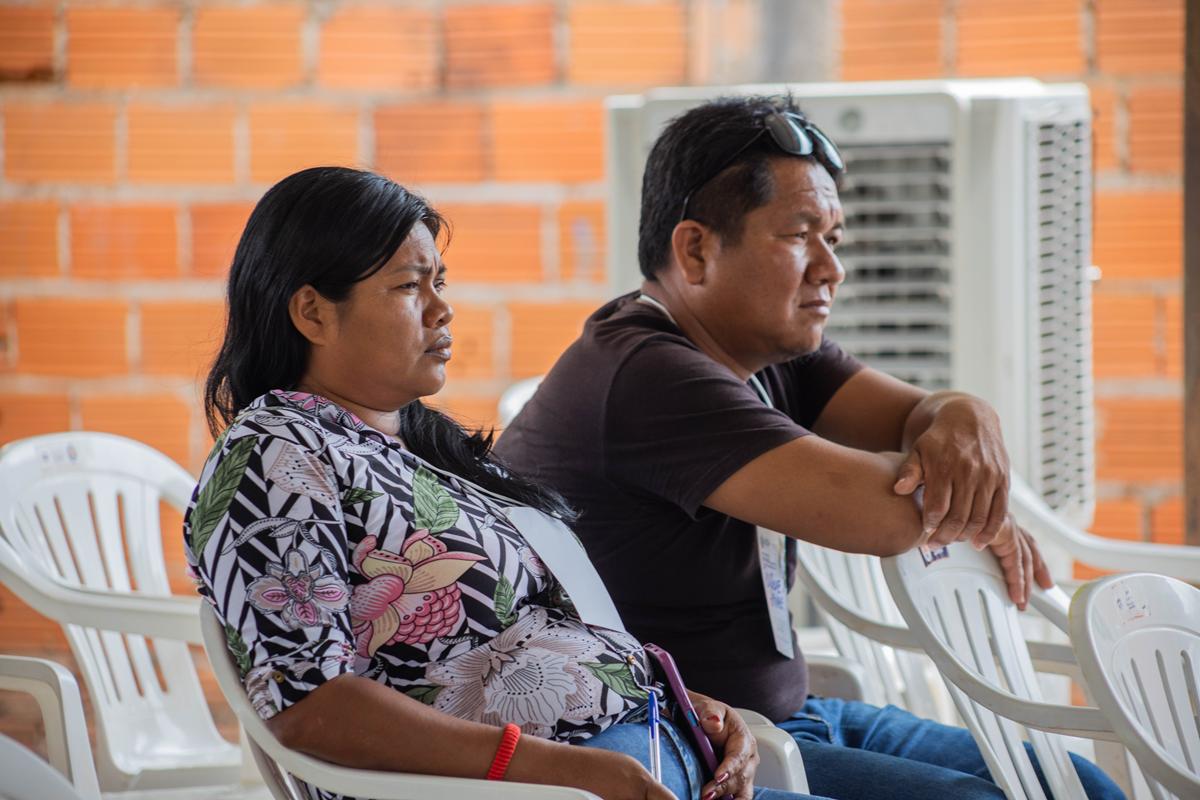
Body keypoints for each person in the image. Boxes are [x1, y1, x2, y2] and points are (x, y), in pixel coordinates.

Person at [494, 96, 1124, 800]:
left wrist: (969, 416)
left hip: (794, 716)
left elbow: (922, 412)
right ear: (696, 250)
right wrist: (966, 492)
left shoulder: (765, 348)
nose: (831, 269)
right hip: (690, 746)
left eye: (834, 238)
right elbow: (885, 514)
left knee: (1079, 786)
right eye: (799, 235)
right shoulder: (647, 374)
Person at [186, 165, 835, 800]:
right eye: (410, 286)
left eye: (440, 282)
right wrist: (564, 770)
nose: (443, 309)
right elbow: (309, 707)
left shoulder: (425, 450)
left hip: (649, 752)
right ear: (313, 313)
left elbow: (544, 630)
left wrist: (687, 703)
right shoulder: (275, 458)